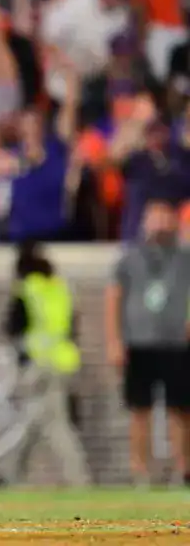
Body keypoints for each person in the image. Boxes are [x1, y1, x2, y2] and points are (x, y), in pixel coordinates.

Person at [105, 200, 190, 487]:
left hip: (176, 343)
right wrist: (115, 340)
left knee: (180, 409)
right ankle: (140, 472)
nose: (160, 223)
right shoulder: (130, 258)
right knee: (140, 410)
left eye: (165, 217)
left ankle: (183, 469)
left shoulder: (184, 256)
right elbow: (113, 298)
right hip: (139, 343)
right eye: (154, 217)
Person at [0, 242, 91, 487]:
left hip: (39, 364)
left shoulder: (27, 289)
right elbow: (72, 324)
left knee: (55, 423)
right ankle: (8, 473)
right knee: (35, 419)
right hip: (64, 360)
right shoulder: (60, 288)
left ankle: (78, 478)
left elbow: (12, 325)